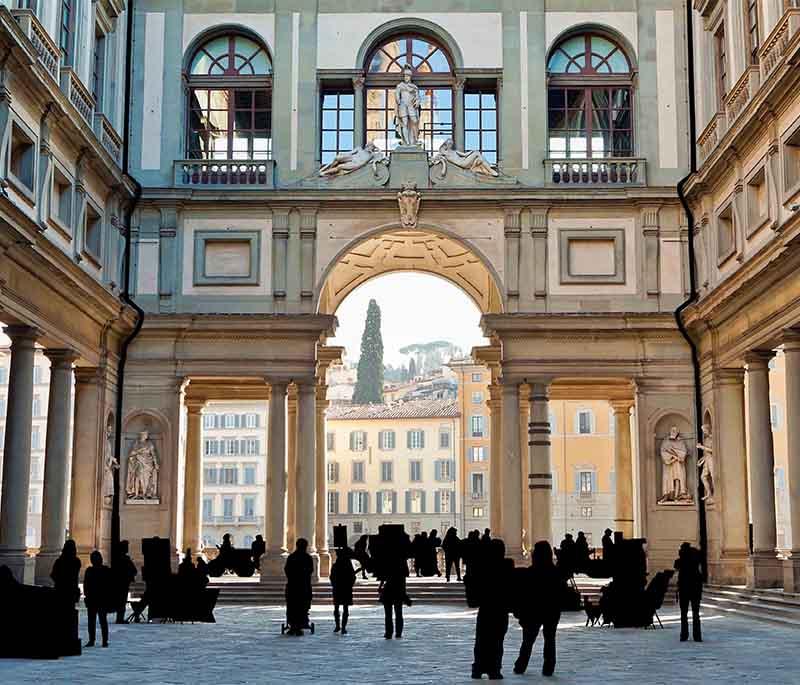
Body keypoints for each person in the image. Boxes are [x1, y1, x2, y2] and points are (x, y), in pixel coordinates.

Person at [513, 541, 567, 677]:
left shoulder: (530, 573)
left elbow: (523, 594)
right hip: (551, 610)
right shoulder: (556, 573)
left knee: (528, 640)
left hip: (533, 611)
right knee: (550, 639)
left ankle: (520, 666)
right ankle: (549, 667)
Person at [472, 538, 513, 680]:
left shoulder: (482, 566)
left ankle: (478, 667)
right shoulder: (507, 565)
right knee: (497, 641)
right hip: (500, 608)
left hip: (486, 608)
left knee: (482, 639)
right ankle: (494, 669)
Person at [674, 542, 703, 642]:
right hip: (696, 588)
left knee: (683, 613)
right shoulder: (696, 559)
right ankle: (697, 636)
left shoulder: (679, 561)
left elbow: (676, 567)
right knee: (696, 613)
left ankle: (684, 635)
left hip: (684, 588)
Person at [284, 538, 314, 635]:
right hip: (304, 585)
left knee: (292, 606)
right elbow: (310, 570)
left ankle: (293, 625)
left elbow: (287, 570)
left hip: (293, 585)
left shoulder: (291, 557)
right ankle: (301, 624)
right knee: (303, 606)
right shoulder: (308, 557)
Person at [380, 545, 410, 639]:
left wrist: (380, 586)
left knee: (388, 614)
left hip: (388, 589)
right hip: (398, 589)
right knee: (398, 613)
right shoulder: (402, 562)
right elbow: (405, 576)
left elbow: (383, 576)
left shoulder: (387, 560)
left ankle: (389, 632)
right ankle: (398, 632)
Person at [84, 550, 112, 648]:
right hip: (101, 599)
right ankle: (104, 641)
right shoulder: (106, 570)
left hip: (93, 599)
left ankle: (92, 640)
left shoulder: (89, 571)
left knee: (92, 621)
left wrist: (87, 596)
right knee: (102, 621)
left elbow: (86, 586)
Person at [330, 547, 356, 634]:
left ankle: (337, 626)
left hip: (337, 588)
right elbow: (353, 577)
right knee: (345, 608)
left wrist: (334, 585)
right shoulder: (348, 565)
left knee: (336, 608)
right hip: (346, 588)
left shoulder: (335, 565)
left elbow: (332, 577)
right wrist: (349, 585)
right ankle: (343, 628)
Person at [111, 539, 137, 624]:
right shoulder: (125, 559)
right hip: (123, 582)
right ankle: (120, 618)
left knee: (121, 600)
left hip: (120, 582)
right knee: (122, 600)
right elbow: (134, 570)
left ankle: (120, 617)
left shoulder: (117, 559)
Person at [51, 539, 81, 605]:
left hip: (60, 590)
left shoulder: (59, 561)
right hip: (72, 590)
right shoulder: (77, 561)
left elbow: (53, 575)